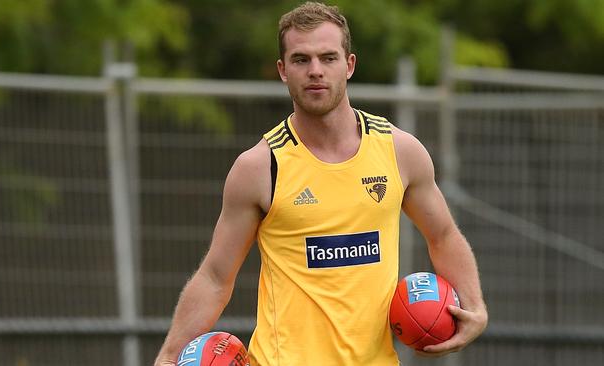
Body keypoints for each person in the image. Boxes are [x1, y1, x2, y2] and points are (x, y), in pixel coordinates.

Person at [154, 2, 488, 365]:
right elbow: (216, 277)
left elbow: (443, 235)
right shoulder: (260, 167)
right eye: (301, 60)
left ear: (349, 65)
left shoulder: (399, 151)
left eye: (328, 58)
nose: (315, 71)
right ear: (283, 70)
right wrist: (170, 355)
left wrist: (475, 306)